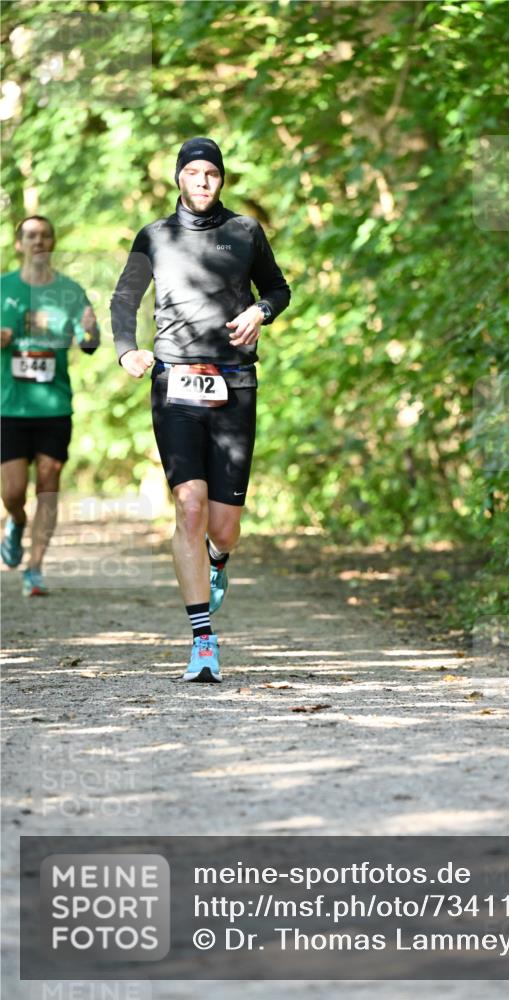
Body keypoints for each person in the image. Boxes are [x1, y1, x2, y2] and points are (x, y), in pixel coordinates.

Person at [110, 137, 291, 683]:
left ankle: (217, 562)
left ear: (222, 180)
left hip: (235, 384)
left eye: (212, 173)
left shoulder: (245, 232)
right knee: (188, 506)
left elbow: (279, 289)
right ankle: (203, 642)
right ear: (179, 179)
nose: (204, 181)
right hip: (174, 383)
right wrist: (127, 350)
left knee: (225, 527)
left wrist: (260, 312)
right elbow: (125, 299)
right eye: (194, 173)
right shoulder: (156, 236)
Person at [0, 215, 100, 595]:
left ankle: (35, 568)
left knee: (48, 484)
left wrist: (90, 329)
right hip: (8, 406)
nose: (38, 241)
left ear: (52, 243)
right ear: (18, 244)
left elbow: (89, 343)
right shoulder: (2, 287)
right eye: (31, 236)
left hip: (54, 406)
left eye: (45, 236)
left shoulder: (70, 291)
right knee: (12, 492)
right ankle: (15, 521)